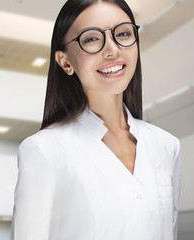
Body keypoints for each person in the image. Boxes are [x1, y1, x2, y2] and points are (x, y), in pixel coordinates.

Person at [10, 0, 182, 239]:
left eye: (123, 34)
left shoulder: (166, 146)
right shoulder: (43, 150)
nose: (112, 50)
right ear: (65, 61)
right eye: (91, 39)